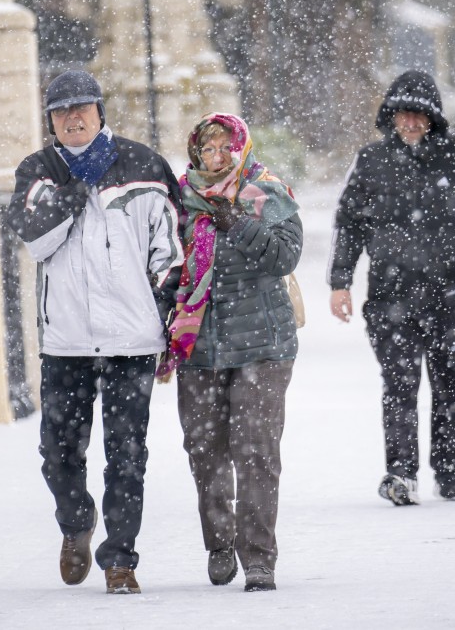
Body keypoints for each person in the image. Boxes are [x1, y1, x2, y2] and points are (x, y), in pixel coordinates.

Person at [5, 70, 183, 595]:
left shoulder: (145, 165)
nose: (74, 118)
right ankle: (77, 523)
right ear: (50, 120)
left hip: (132, 341)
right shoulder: (38, 171)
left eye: (83, 108)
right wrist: (77, 185)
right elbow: (36, 239)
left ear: (101, 111)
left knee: (127, 454)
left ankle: (120, 560)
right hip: (68, 343)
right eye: (62, 112)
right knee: (58, 453)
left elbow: (170, 251)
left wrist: (162, 312)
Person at [329, 70, 455, 505]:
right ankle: (401, 473)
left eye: (419, 115)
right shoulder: (370, 161)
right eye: (402, 114)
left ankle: (447, 472)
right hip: (390, 295)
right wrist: (340, 283)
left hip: (451, 292)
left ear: (433, 118)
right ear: (390, 116)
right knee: (399, 382)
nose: (410, 123)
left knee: (450, 380)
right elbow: (348, 223)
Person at [157, 113, 301, 592]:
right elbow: (166, 270)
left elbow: (284, 257)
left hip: (262, 345)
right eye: (208, 149)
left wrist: (238, 223)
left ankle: (259, 557)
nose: (216, 158)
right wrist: (164, 327)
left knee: (256, 451)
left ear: (242, 149)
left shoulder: (266, 192)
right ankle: (220, 543)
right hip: (198, 348)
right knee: (204, 450)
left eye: (226, 149)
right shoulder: (180, 200)